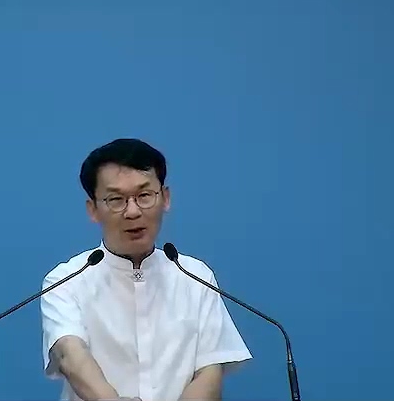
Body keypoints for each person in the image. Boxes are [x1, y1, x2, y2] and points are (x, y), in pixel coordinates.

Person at [40, 138, 252, 401]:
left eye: (144, 196)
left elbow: (210, 371)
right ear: (93, 210)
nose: (132, 211)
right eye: (116, 199)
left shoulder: (196, 277)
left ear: (165, 198)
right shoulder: (66, 280)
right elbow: (70, 355)